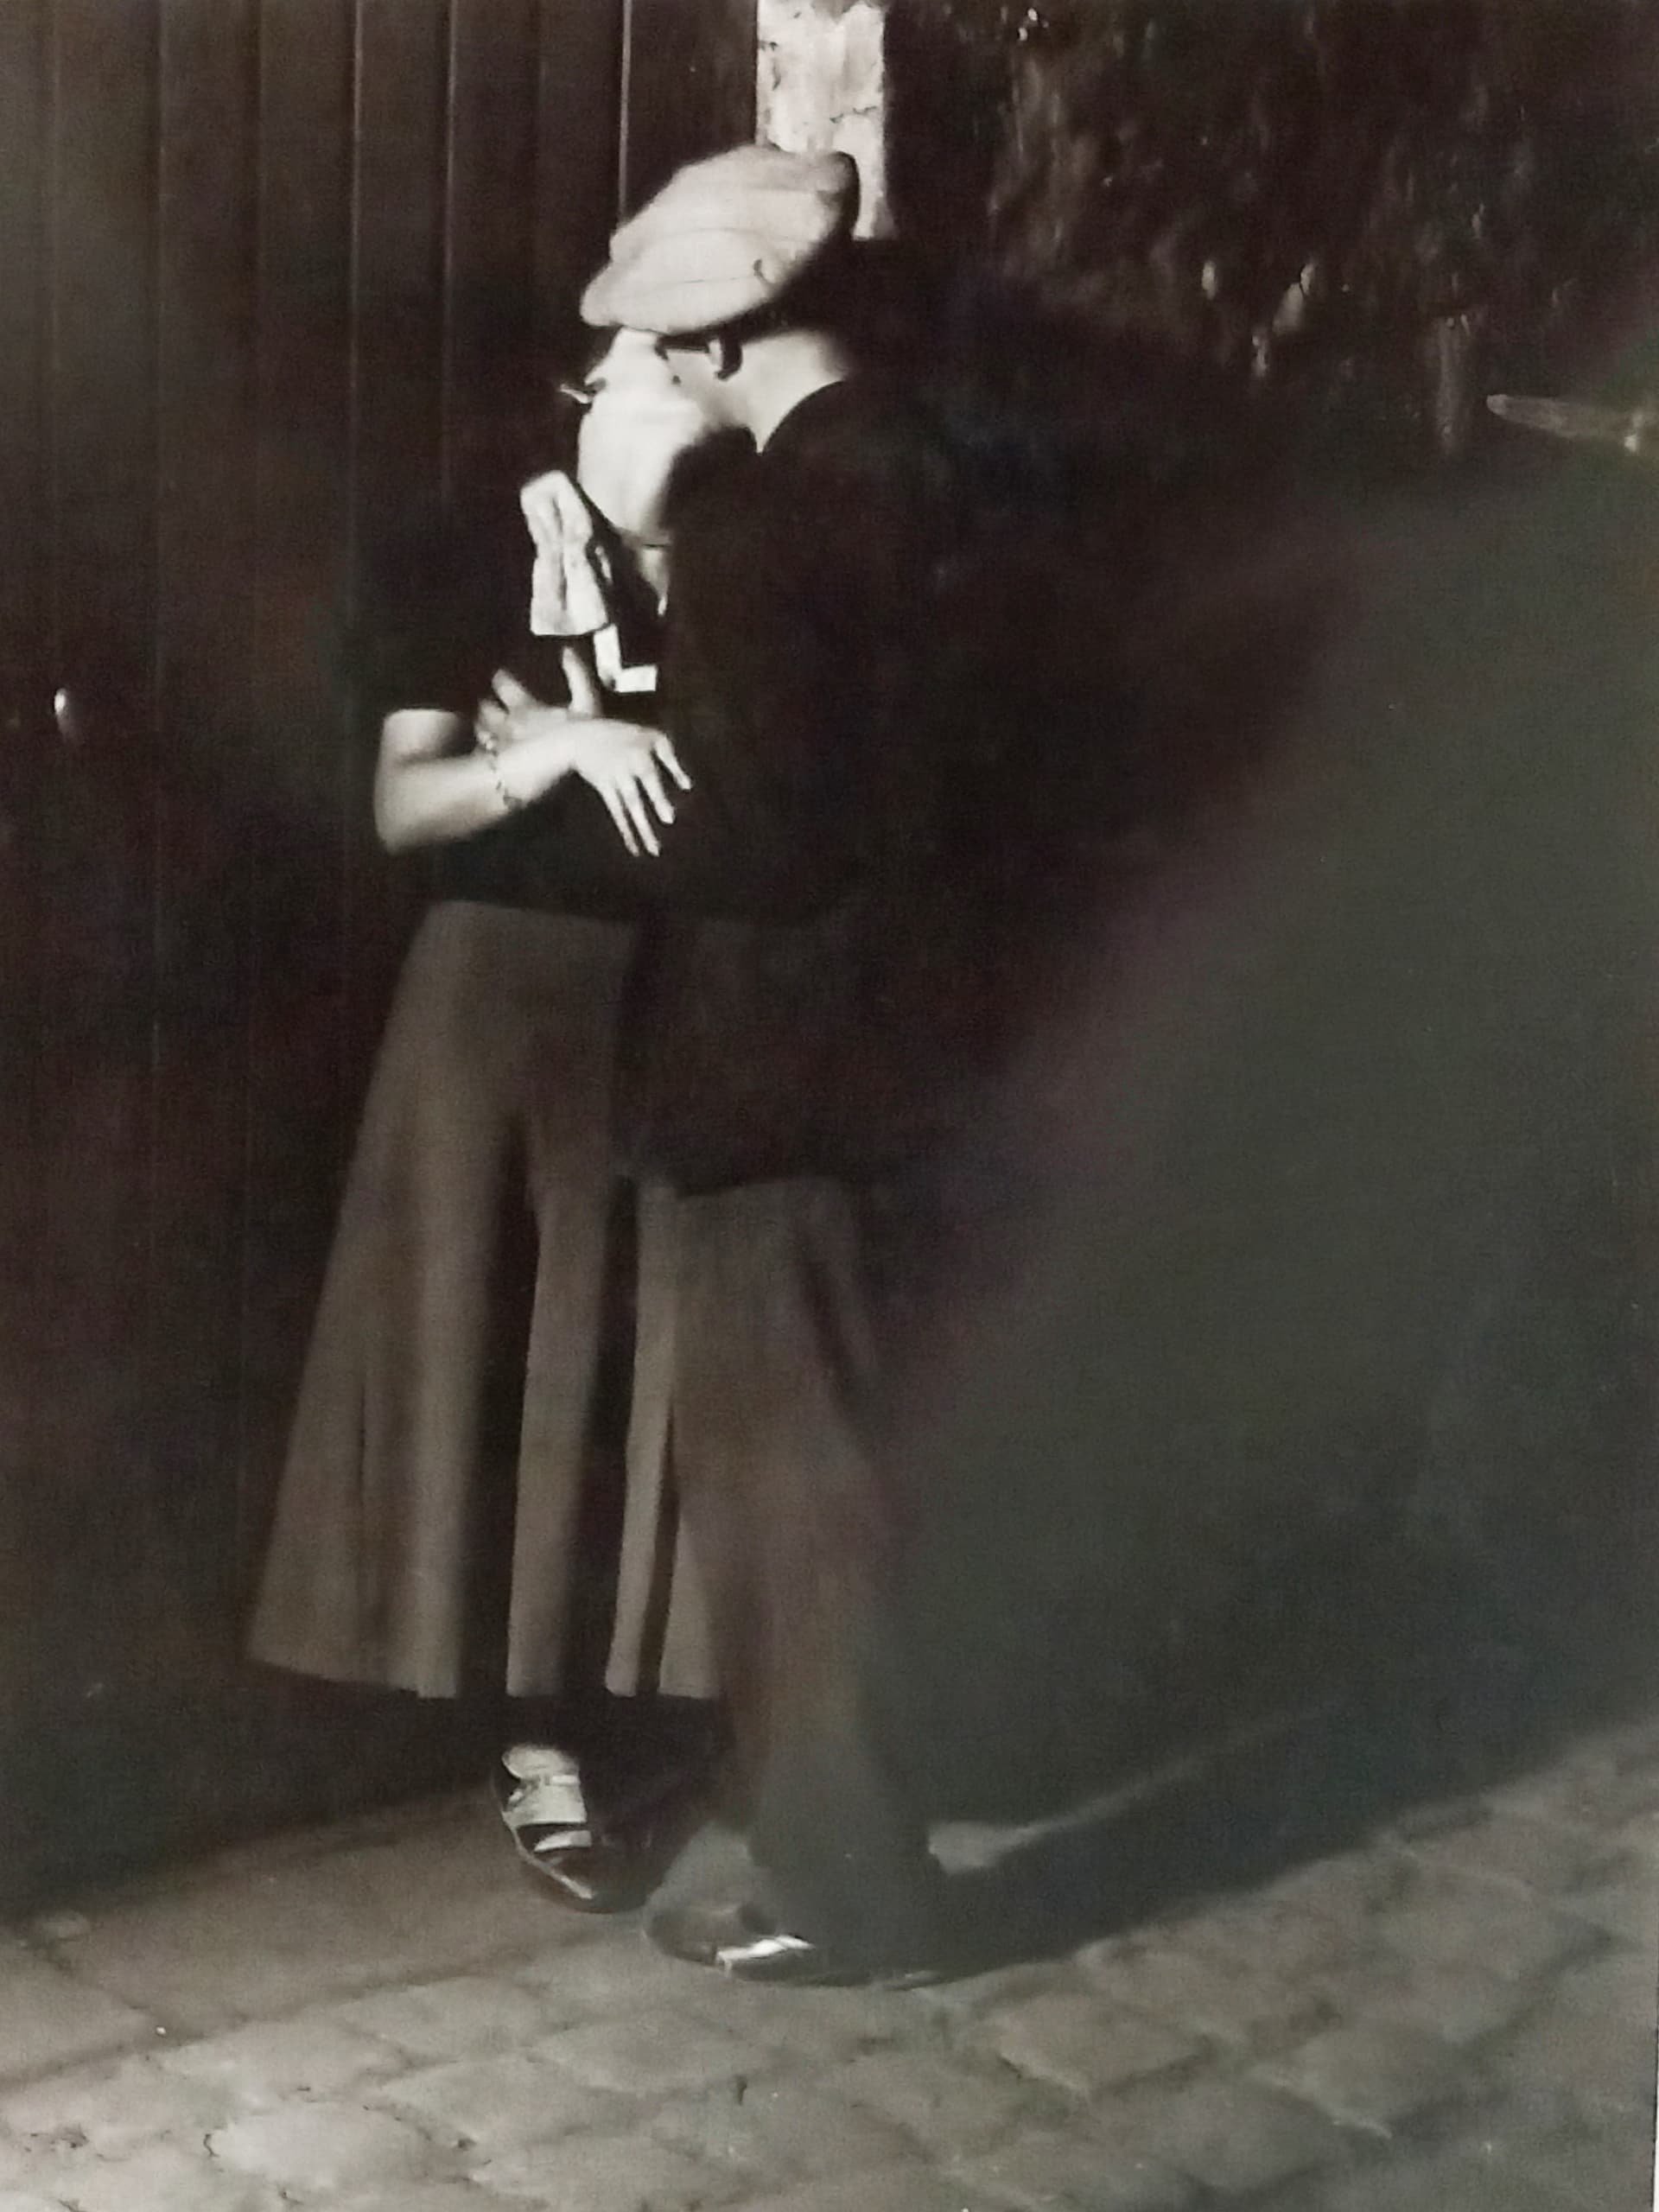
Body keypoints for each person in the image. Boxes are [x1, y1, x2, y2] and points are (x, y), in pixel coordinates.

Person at [474, 143, 990, 1980]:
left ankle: (847, 1894)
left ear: (711, 343)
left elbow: (748, 836)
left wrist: (590, 759)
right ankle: (864, 1853)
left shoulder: (758, 526)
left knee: (796, 1495)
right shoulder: (944, 474)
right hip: (926, 1048)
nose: (635, 375)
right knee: (871, 1459)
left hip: (781, 1065)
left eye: (648, 343)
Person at [247, 328, 725, 1902]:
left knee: (648, 1365)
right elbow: (409, 805)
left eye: (700, 361)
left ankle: (672, 1704)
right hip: (507, 1009)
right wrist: (565, 752)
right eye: (652, 363)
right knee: (513, 1366)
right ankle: (540, 1746)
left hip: (681, 1001)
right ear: (586, 395)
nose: (688, 385)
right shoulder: (476, 560)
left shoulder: (741, 565)